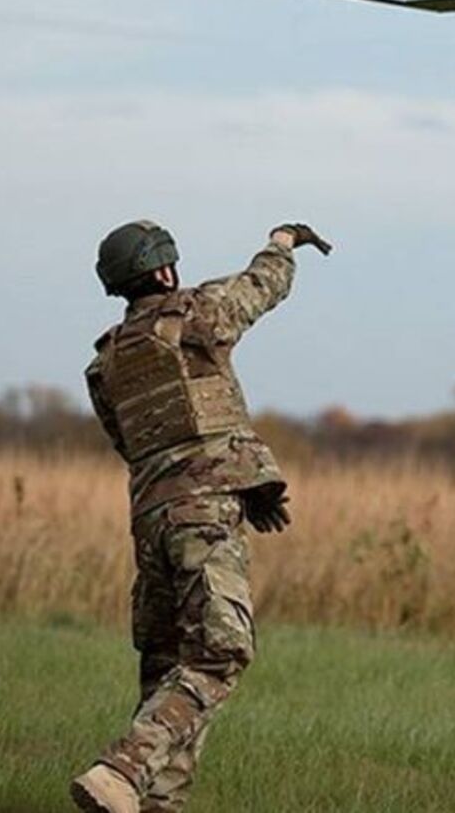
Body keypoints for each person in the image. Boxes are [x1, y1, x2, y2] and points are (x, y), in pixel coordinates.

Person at [71, 219, 331, 813]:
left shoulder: (106, 364)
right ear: (165, 270)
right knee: (221, 652)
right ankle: (124, 768)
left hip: (152, 522)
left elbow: (139, 447)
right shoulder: (195, 313)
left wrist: (245, 481)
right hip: (203, 517)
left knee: (169, 668)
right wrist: (282, 243)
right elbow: (261, 288)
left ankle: (151, 802)